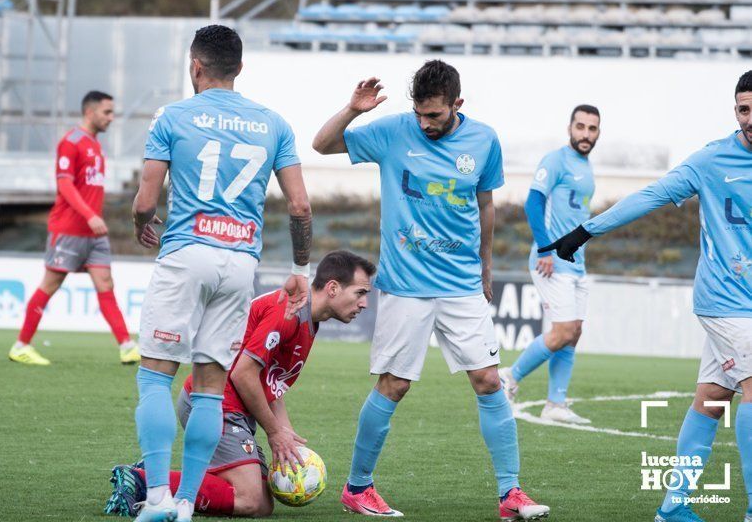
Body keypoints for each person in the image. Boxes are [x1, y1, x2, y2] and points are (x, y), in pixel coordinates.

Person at [312, 60, 549, 520]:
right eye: (419, 114)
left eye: (435, 116)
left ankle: (510, 495)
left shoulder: (484, 140)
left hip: (461, 285)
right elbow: (321, 145)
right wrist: (352, 109)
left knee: (488, 380)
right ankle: (358, 488)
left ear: (457, 104)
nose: (425, 123)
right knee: (394, 384)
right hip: (406, 285)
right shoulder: (393, 132)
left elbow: (486, 206)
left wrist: (486, 268)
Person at [540, 70, 752, 522]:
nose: (750, 119)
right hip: (725, 300)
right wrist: (586, 230)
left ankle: (674, 506)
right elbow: (652, 195)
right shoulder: (713, 161)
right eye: (743, 109)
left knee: (713, 398)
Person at [131, 24, 312, 522]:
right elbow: (299, 205)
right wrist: (300, 268)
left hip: (188, 253)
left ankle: (156, 500)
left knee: (154, 378)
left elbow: (147, 201)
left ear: (195, 66)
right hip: (240, 265)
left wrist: (141, 224)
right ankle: (187, 503)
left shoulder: (172, 115)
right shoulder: (273, 122)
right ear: (239, 68)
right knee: (210, 385)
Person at [105, 251, 376, 518]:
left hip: (232, 408)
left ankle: (165, 477)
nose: (364, 303)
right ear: (332, 288)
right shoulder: (288, 312)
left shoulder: (308, 319)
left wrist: (286, 436)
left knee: (260, 497)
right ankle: (140, 480)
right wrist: (273, 432)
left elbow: (270, 382)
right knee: (253, 501)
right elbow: (243, 374)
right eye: (360, 293)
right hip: (215, 403)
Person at [8, 90, 138, 366]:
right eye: (107, 112)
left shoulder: (94, 145)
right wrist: (90, 215)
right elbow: (65, 184)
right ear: (90, 112)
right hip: (69, 229)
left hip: (94, 234)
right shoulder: (71, 142)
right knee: (51, 284)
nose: (112, 118)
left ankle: (127, 346)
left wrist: (93, 219)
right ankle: (21, 345)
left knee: (105, 284)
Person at [499, 105, 600, 425]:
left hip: (576, 263)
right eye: (580, 126)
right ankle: (509, 377)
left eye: (592, 128)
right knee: (563, 331)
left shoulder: (586, 167)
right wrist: (545, 249)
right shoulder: (556, 161)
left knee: (574, 332)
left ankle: (556, 403)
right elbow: (533, 202)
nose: (585, 134)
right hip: (551, 262)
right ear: (569, 128)